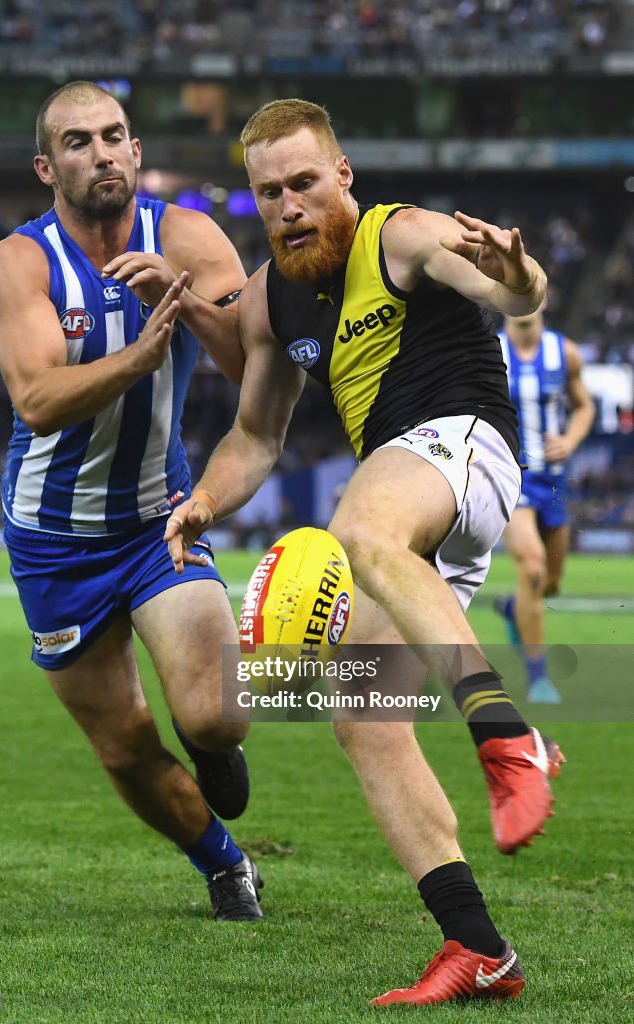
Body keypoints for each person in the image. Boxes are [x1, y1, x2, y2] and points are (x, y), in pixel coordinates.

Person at [164, 99, 565, 1004]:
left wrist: (520, 274)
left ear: (341, 175)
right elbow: (256, 436)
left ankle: (511, 739)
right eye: (268, 194)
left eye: (304, 182)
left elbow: (511, 294)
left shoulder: (404, 234)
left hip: (463, 445)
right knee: (361, 716)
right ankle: (477, 949)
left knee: (359, 529)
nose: (289, 205)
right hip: (415, 503)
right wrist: (205, 500)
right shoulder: (271, 297)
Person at [0, 81, 265, 922]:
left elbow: (257, 373)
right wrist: (140, 358)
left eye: (114, 137)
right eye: (78, 142)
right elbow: (35, 398)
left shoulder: (186, 235)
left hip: (155, 517)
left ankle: (210, 744)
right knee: (125, 744)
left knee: (215, 717)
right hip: (53, 538)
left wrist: (171, 301)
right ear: (47, 166)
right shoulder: (20, 260)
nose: (101, 152)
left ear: (136, 153)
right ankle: (224, 864)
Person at [495, 307, 595, 703]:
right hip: (510, 476)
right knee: (532, 567)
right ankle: (538, 678)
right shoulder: (488, 352)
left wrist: (569, 441)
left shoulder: (564, 352)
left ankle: (512, 610)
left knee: (549, 583)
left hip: (552, 479)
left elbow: (583, 405)